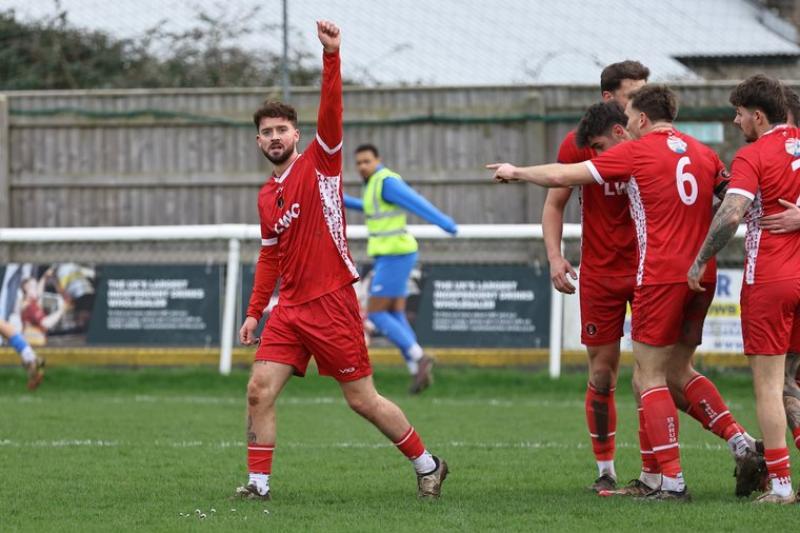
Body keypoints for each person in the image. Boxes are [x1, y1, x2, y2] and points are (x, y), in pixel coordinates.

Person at [489, 84, 762, 501]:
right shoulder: (702, 152)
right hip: (701, 274)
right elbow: (738, 202)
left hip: (659, 274)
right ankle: (732, 447)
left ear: (641, 118)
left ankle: (671, 482)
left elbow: (562, 176)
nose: (627, 119)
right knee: (676, 371)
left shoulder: (636, 151)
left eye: (631, 112)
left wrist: (517, 171)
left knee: (647, 375)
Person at [236, 20, 448, 501]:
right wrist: (254, 312)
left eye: (281, 129)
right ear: (258, 141)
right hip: (289, 309)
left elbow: (332, 109)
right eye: (266, 132)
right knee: (258, 390)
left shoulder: (321, 162)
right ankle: (257, 486)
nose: (274, 137)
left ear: (297, 134)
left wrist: (331, 56)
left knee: (362, 400)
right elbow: (269, 258)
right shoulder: (266, 196)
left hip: (332, 302)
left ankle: (428, 464)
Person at [688, 74, 800, 504]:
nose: (736, 122)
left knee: (769, 387)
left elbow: (732, 213)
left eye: (738, 114)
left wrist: (700, 258)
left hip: (771, 279)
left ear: (758, 116)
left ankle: (782, 485)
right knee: (790, 383)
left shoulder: (753, 155)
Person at [543, 60, 647, 493]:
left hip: (649, 271)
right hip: (601, 273)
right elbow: (554, 203)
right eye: (632, 93)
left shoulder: (654, 141)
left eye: (644, 91)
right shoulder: (580, 143)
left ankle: (659, 473)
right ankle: (606, 470)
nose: (640, 100)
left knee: (653, 377)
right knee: (602, 375)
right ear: (609, 97)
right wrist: (555, 257)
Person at [343, 144, 458, 393]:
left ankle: (419, 357)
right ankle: (416, 369)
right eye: (358, 163)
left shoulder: (386, 182)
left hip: (395, 255)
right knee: (394, 313)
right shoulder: (373, 185)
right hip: (391, 255)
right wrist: (338, 199)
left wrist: (446, 224)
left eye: (367, 161)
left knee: (376, 314)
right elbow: (367, 207)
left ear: (378, 160)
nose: (362, 166)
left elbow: (416, 202)